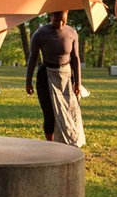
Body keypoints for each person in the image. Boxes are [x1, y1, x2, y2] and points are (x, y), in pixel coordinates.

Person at [25, 10, 85, 147]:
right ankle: (50, 145)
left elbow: (75, 58)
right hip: (46, 76)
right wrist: (28, 82)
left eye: (63, 20)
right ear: (50, 16)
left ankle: (69, 142)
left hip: (66, 77)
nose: (60, 23)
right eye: (57, 20)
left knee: (70, 110)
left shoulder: (72, 33)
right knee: (50, 113)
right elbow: (32, 58)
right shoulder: (40, 34)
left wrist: (78, 83)